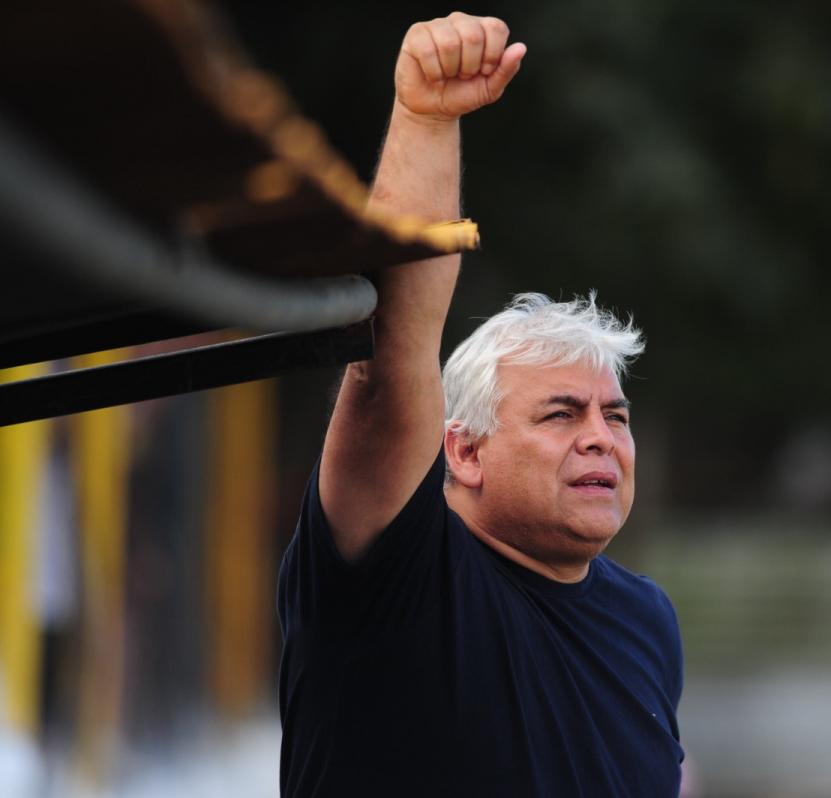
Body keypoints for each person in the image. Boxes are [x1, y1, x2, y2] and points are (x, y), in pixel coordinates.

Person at [276, 12, 685, 797]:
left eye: (615, 416)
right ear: (463, 451)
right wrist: (425, 119)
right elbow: (392, 357)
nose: (601, 438)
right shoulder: (397, 577)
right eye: (561, 414)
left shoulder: (648, 621)